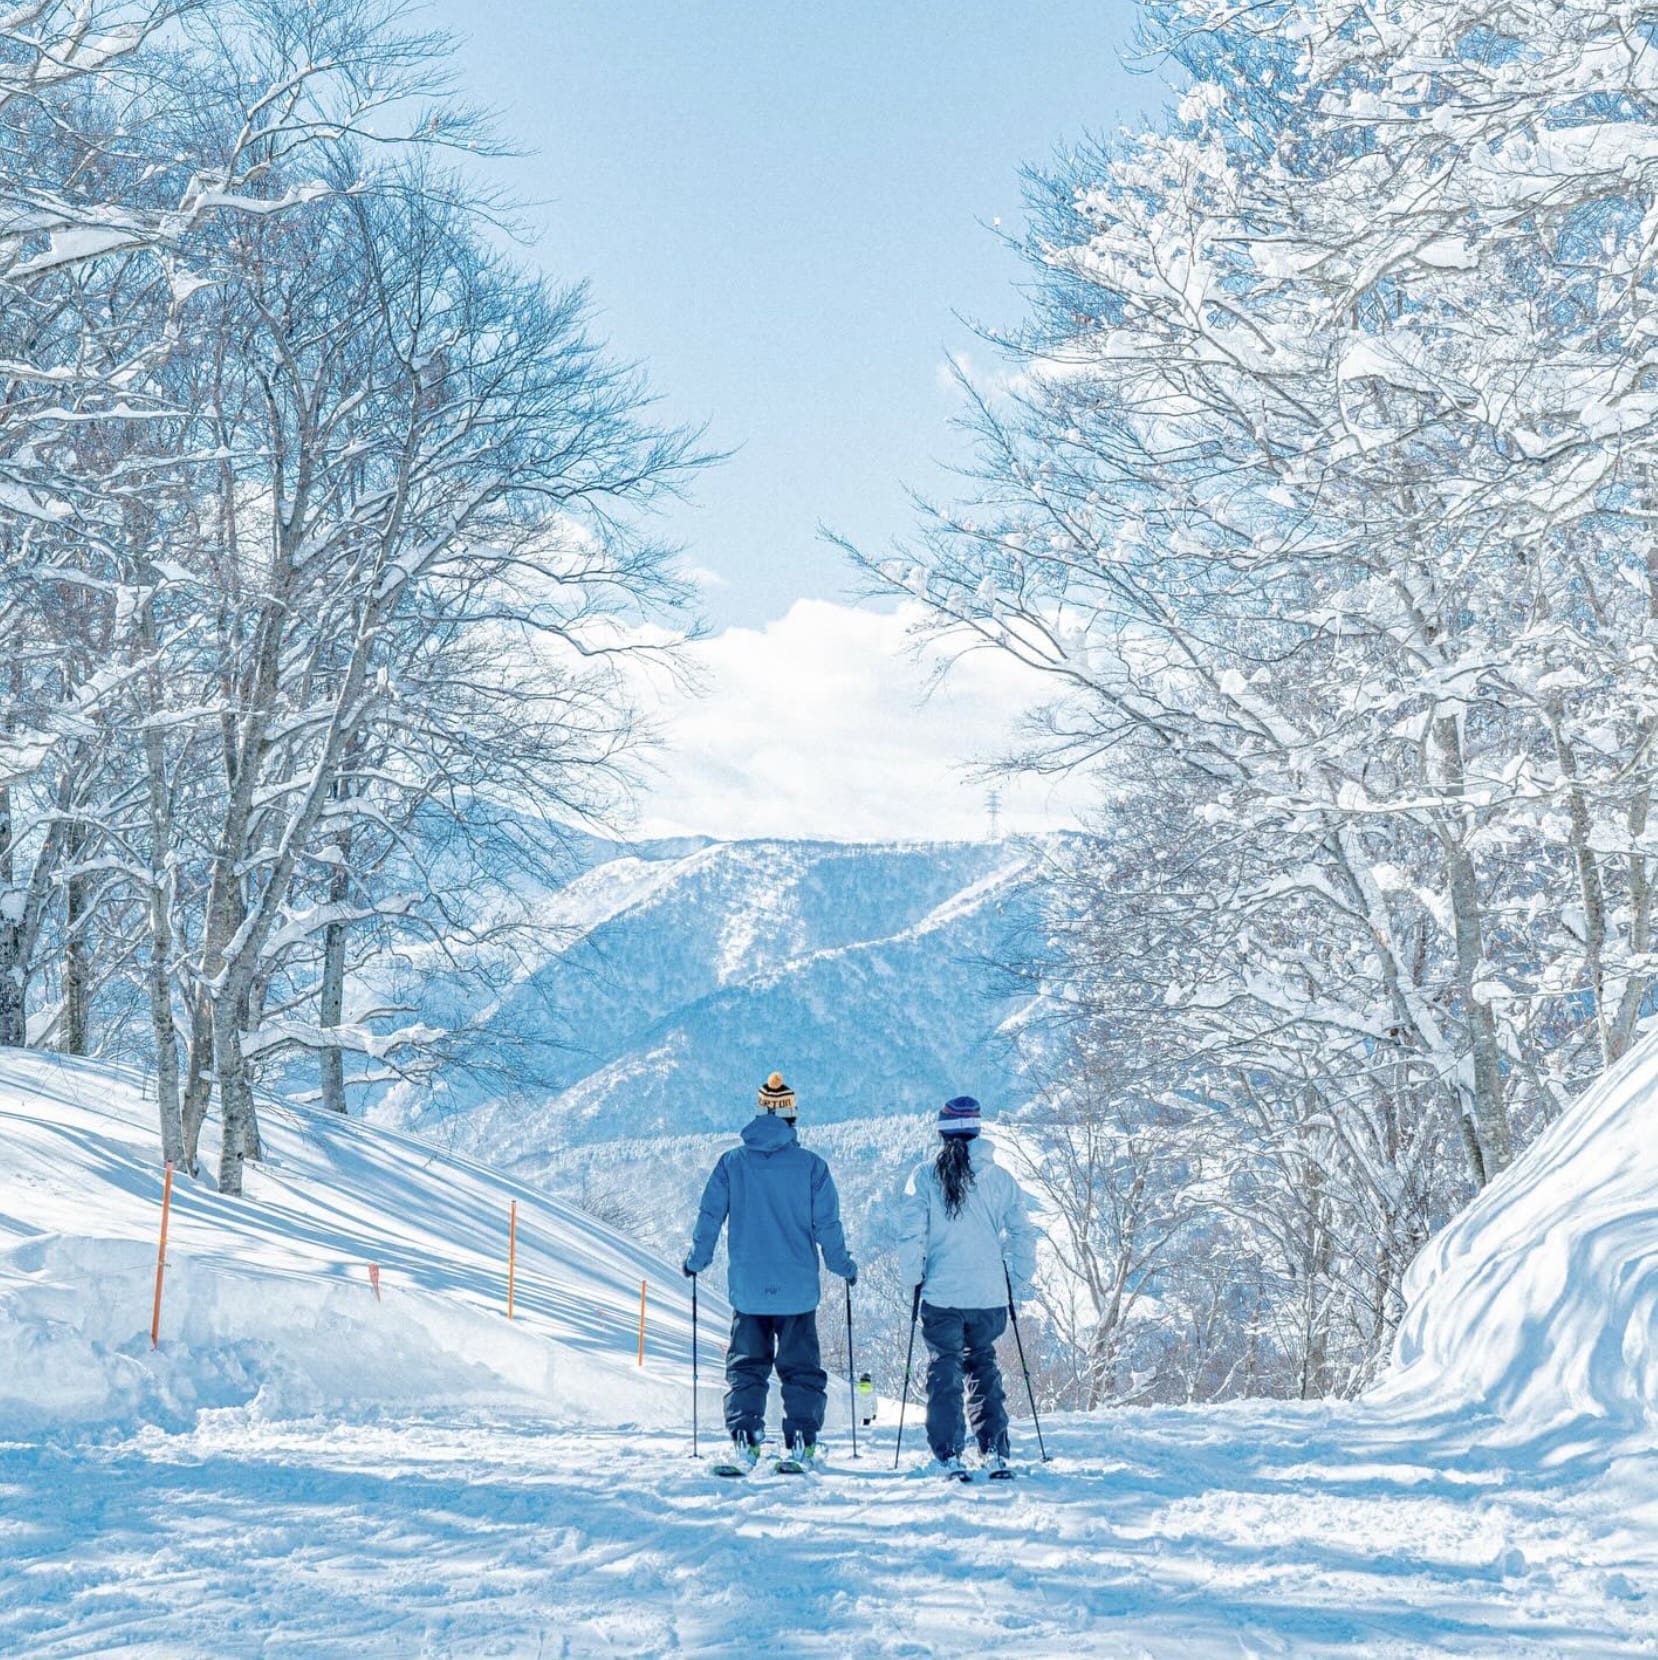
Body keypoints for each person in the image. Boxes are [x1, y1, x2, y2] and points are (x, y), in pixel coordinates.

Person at [684, 1071, 857, 1470]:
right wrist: (843, 1267)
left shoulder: (731, 1163)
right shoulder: (812, 1167)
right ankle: (801, 1442)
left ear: (759, 1113)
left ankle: (746, 1438)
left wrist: (697, 1260)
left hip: (748, 1290)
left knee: (747, 1368)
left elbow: (710, 1217)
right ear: (793, 1117)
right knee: (800, 1370)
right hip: (797, 1291)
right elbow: (827, 1226)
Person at [898, 1095, 1038, 1478]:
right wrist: (1019, 1280)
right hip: (989, 1296)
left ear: (942, 1133)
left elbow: (911, 1233)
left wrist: (911, 1277)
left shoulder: (925, 1176)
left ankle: (948, 1453)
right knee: (983, 1365)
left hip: (942, 1295)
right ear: (977, 1130)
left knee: (945, 1370)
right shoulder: (1000, 1179)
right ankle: (994, 1449)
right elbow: (1024, 1233)